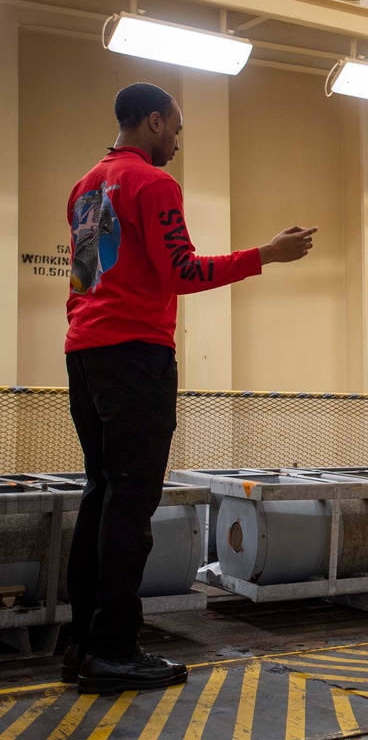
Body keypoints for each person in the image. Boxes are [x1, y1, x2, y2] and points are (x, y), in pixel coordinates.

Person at [62, 82, 317, 694]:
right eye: (175, 129)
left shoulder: (85, 186)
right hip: (136, 357)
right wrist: (266, 255)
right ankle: (115, 652)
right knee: (130, 505)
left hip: (85, 352)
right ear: (153, 122)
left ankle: (82, 646)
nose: (177, 142)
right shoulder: (153, 184)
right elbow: (182, 272)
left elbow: (89, 275)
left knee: (100, 498)